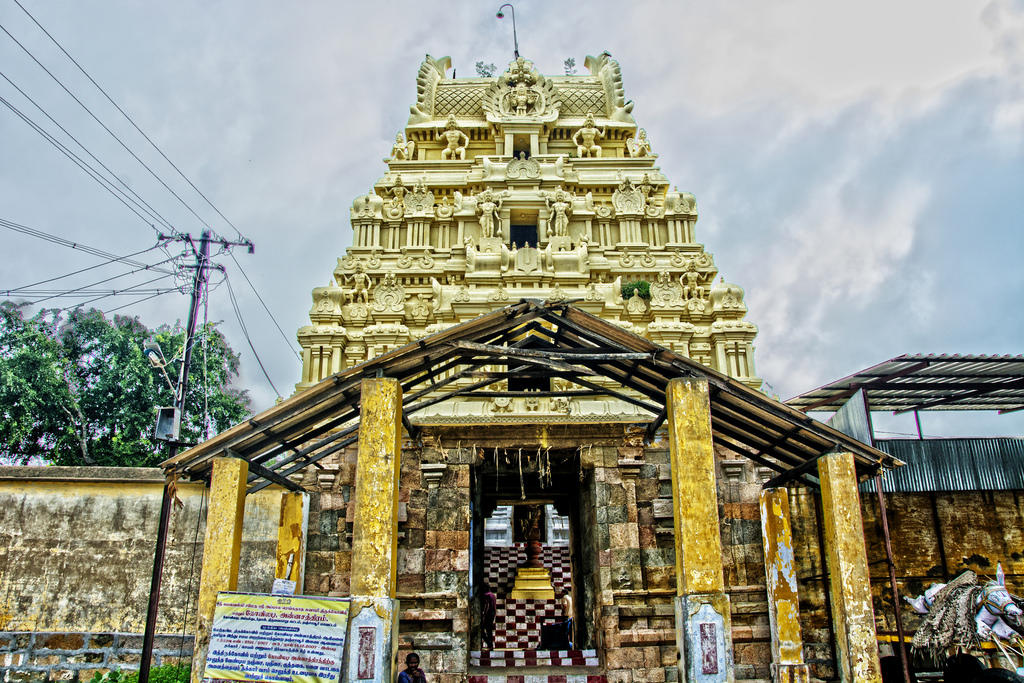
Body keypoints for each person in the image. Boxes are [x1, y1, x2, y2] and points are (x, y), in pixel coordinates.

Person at [481, 583, 497, 650]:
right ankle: (490, 646)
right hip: (492, 614)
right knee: (489, 630)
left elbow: (486, 606)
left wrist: (483, 615)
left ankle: (489, 643)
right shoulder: (493, 595)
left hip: (488, 614)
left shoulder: (486, 595)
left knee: (481, 630)